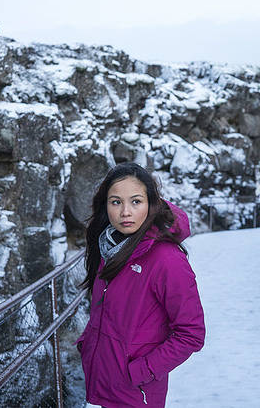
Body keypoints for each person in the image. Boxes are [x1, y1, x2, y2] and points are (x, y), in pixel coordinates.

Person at [75, 162, 205, 407]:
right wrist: (89, 342)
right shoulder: (109, 247)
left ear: (151, 204)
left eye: (136, 201)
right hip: (106, 382)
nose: (126, 212)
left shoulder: (167, 259)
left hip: (137, 393)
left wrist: (140, 372)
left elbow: (192, 334)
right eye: (116, 202)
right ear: (105, 206)